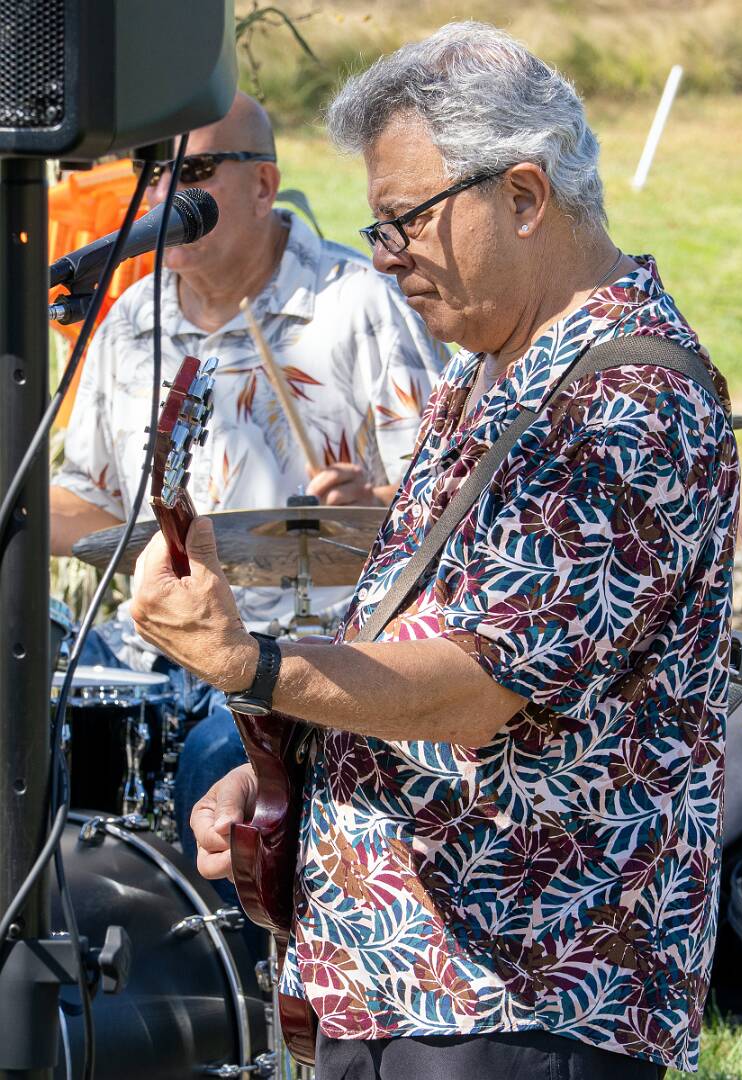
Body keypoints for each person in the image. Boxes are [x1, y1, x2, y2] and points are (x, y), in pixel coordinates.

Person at [130, 24, 738, 1080]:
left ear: (523, 196)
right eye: (378, 226)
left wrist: (252, 666)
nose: (383, 254)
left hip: (520, 995)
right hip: (406, 976)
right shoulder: (495, 365)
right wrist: (283, 768)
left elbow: (475, 686)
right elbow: (415, 626)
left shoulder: (626, 405)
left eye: (407, 220)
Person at [50, 92, 447, 892]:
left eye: (194, 170)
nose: (166, 193)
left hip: (304, 658)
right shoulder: (130, 321)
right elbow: (94, 504)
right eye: (152, 172)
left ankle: (232, 960)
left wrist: (376, 501)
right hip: (154, 648)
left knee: (215, 759)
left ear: (263, 184)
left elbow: (449, 502)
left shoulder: (357, 305)